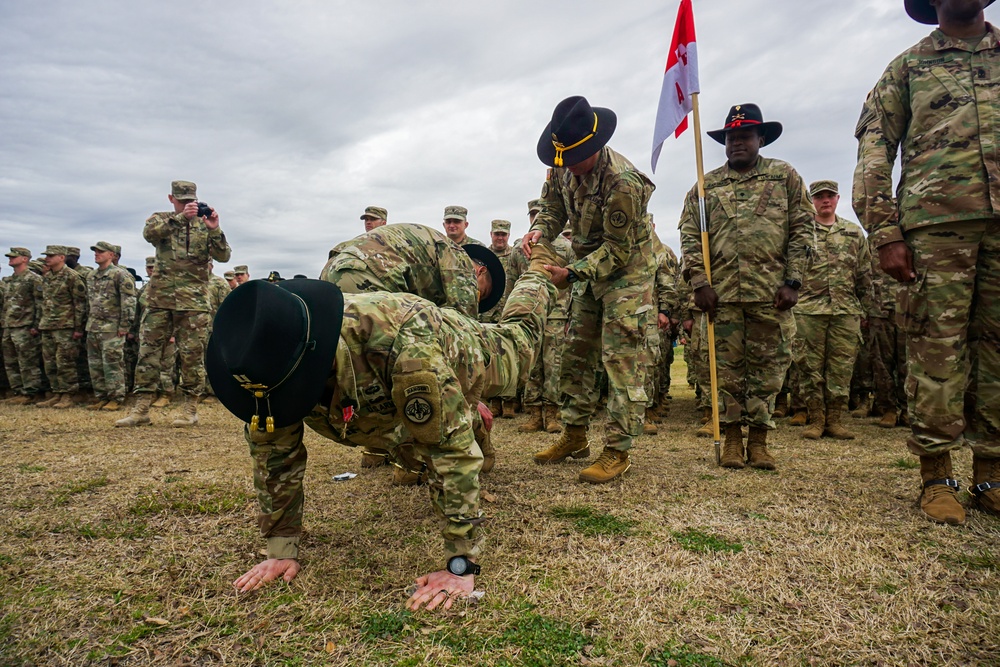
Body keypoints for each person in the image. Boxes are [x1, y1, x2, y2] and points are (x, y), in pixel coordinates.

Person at [208, 243, 563, 609]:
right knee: (408, 439)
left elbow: (450, 453)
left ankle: (540, 271)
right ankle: (456, 416)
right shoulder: (260, 361)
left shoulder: (405, 351)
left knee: (522, 336)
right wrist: (281, 547)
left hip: (462, 350)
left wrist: (460, 565)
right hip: (389, 398)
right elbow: (274, 455)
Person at [854, 0, 1000, 524]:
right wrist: (885, 230)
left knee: (998, 353)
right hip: (936, 230)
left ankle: (992, 473)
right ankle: (937, 475)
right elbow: (874, 150)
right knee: (936, 350)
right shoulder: (907, 68)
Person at [523, 95, 657, 484]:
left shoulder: (624, 183)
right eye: (560, 158)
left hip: (625, 276)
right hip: (584, 270)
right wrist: (539, 230)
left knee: (621, 362)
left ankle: (617, 450)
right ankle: (575, 435)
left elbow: (617, 251)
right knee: (575, 355)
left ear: (595, 147)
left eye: (574, 157)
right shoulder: (562, 165)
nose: (566, 166)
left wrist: (571, 274)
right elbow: (552, 210)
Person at [678, 103, 812, 470]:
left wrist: (793, 281)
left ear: (760, 139)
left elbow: (803, 228)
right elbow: (690, 237)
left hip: (772, 295)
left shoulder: (784, 177)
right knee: (724, 372)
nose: (737, 143)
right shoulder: (706, 187)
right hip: (721, 297)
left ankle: (760, 442)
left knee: (769, 371)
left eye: (745, 136)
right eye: (731, 137)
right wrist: (699, 283)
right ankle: (733, 440)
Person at [318, 223, 504, 475]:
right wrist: (473, 399)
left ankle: (376, 451)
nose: (476, 298)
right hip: (372, 279)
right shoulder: (461, 264)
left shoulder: (427, 256)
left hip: (331, 276)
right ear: (480, 272)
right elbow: (461, 346)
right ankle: (409, 466)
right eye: (482, 294)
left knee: (364, 369)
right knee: (410, 373)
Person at [116, 180, 231, 427]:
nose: (187, 204)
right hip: (160, 299)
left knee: (191, 356)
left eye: (191, 200)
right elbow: (150, 235)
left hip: (194, 303)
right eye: (182, 200)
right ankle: (141, 409)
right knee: (148, 354)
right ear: (171, 199)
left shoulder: (204, 225)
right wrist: (180, 218)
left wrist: (215, 228)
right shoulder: (162, 219)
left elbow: (223, 256)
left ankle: (190, 409)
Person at [793, 181, 872, 441]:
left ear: (837, 199)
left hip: (845, 310)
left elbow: (864, 274)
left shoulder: (853, 232)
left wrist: (867, 310)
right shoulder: (801, 233)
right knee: (810, 367)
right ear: (812, 201)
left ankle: (835, 421)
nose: (825, 201)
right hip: (808, 310)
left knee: (841, 368)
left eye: (829, 196)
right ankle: (816, 419)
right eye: (819, 197)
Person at [514, 200, 574, 434]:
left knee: (554, 365)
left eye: (541, 214)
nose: (536, 218)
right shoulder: (521, 247)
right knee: (531, 364)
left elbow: (573, 282)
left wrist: (571, 314)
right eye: (533, 215)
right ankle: (533, 414)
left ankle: (552, 414)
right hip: (529, 314)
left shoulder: (565, 247)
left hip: (557, 314)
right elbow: (513, 280)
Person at [85, 241, 136, 411]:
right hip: (94, 327)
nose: (96, 254)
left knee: (112, 363)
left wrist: (124, 325)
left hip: (112, 328)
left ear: (111, 255)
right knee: (96, 365)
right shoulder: (91, 276)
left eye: (101, 251)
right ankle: (101, 396)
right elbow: (89, 302)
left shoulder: (121, 275)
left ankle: (116, 397)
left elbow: (128, 302)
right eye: (95, 251)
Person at [35, 245, 88, 409]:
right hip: (48, 325)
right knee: (50, 363)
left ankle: (68, 395)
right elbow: (43, 303)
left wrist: (79, 328)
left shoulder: (72, 277)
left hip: (66, 326)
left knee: (65, 362)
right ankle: (56, 393)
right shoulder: (47, 277)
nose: (47, 258)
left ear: (62, 257)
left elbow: (80, 305)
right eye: (46, 256)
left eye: (51, 256)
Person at [2, 248, 43, 404]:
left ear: (25, 259)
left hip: (25, 326)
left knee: (27, 361)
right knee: (10, 361)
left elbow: (40, 304)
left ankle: (31, 393)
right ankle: (17, 391)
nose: (10, 259)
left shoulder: (33, 279)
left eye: (14, 257)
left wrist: (36, 324)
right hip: (9, 325)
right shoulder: (8, 280)